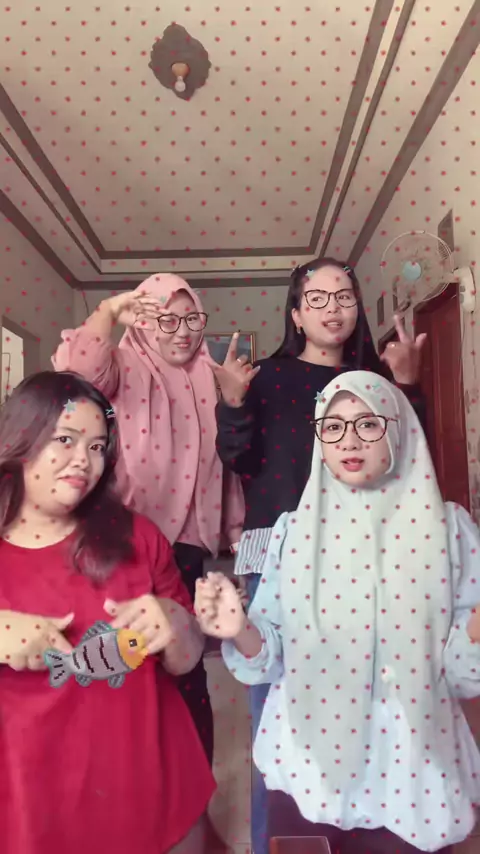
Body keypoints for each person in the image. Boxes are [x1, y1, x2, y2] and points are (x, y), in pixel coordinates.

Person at [196, 370, 480, 853]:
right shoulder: (291, 533)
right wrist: (240, 629)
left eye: (368, 424)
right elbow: (271, 655)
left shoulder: (448, 531)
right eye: (332, 426)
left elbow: (461, 674)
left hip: (409, 771)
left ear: (399, 430)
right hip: (309, 769)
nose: (349, 440)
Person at [212, 257, 427, 854]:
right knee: (277, 712)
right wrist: (232, 403)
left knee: (372, 715)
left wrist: (407, 388)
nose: (334, 308)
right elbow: (239, 458)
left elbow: (412, 463)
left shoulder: (374, 378)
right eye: (319, 298)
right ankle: (280, 841)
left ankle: (366, 830)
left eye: (345, 296)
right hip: (281, 557)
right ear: (297, 314)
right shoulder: (267, 377)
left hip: (368, 558)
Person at [0, 371, 216, 854]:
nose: (84, 460)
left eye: (97, 447)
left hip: (153, 790)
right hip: (29, 801)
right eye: (65, 439)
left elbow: (187, 658)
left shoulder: (139, 536)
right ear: (21, 440)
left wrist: (174, 622)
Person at [52, 274, 245, 767]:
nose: (183, 332)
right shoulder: (121, 366)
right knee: (128, 661)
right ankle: (130, 775)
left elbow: (228, 463)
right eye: (167, 320)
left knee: (188, 668)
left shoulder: (211, 374)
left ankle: (193, 782)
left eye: (191, 319)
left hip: (189, 542)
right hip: (126, 537)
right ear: (143, 323)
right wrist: (109, 312)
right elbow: (75, 373)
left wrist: (235, 532)